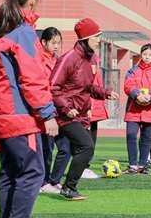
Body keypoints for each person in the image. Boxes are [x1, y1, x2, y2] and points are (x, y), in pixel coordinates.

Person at [0, 0, 58, 218]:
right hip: (20, 116)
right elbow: (33, 78)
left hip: (0, 114)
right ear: (31, 0)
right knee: (32, 171)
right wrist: (48, 113)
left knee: (10, 173)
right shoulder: (24, 32)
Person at [49, 18, 117, 200]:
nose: (99, 40)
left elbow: (87, 88)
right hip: (64, 114)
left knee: (78, 148)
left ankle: (62, 184)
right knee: (86, 145)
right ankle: (67, 187)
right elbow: (53, 86)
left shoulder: (91, 60)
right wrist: (66, 107)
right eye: (97, 36)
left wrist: (105, 92)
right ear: (86, 38)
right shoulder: (69, 58)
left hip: (79, 113)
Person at [38, 27, 73, 194]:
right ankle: (43, 181)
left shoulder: (58, 61)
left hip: (60, 111)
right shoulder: (38, 60)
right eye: (53, 42)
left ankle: (54, 180)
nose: (56, 46)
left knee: (65, 147)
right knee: (47, 149)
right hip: (47, 111)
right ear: (43, 42)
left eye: (58, 43)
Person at [123, 43, 151, 175]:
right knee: (131, 135)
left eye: (150, 55)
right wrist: (137, 95)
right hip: (134, 109)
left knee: (147, 138)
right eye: (145, 54)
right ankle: (132, 165)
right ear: (141, 55)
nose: (147, 57)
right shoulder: (132, 71)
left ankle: (142, 165)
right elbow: (128, 86)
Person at [83, 52, 110, 177]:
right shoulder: (82, 60)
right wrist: (87, 105)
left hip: (95, 104)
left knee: (92, 138)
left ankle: (85, 167)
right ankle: (82, 167)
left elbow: (96, 85)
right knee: (84, 140)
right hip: (86, 105)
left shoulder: (95, 60)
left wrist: (103, 94)